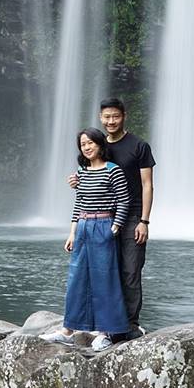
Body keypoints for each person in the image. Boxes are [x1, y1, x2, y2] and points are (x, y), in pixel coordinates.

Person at [68, 97, 154, 341]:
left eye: (115, 116)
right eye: (107, 117)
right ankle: (104, 324)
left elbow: (147, 185)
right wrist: (77, 181)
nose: (111, 121)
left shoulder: (139, 146)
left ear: (124, 116)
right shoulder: (97, 144)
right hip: (103, 219)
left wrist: (144, 221)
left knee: (130, 270)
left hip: (132, 216)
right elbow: (90, 176)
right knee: (104, 272)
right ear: (100, 118)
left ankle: (130, 324)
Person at [43, 128, 131, 351]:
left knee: (104, 279)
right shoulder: (81, 173)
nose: (87, 147)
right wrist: (72, 233)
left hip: (104, 225)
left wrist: (115, 227)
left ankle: (104, 332)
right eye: (83, 144)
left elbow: (124, 200)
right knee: (77, 278)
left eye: (90, 143)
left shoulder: (113, 170)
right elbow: (79, 203)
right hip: (83, 226)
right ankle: (68, 331)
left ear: (100, 144)